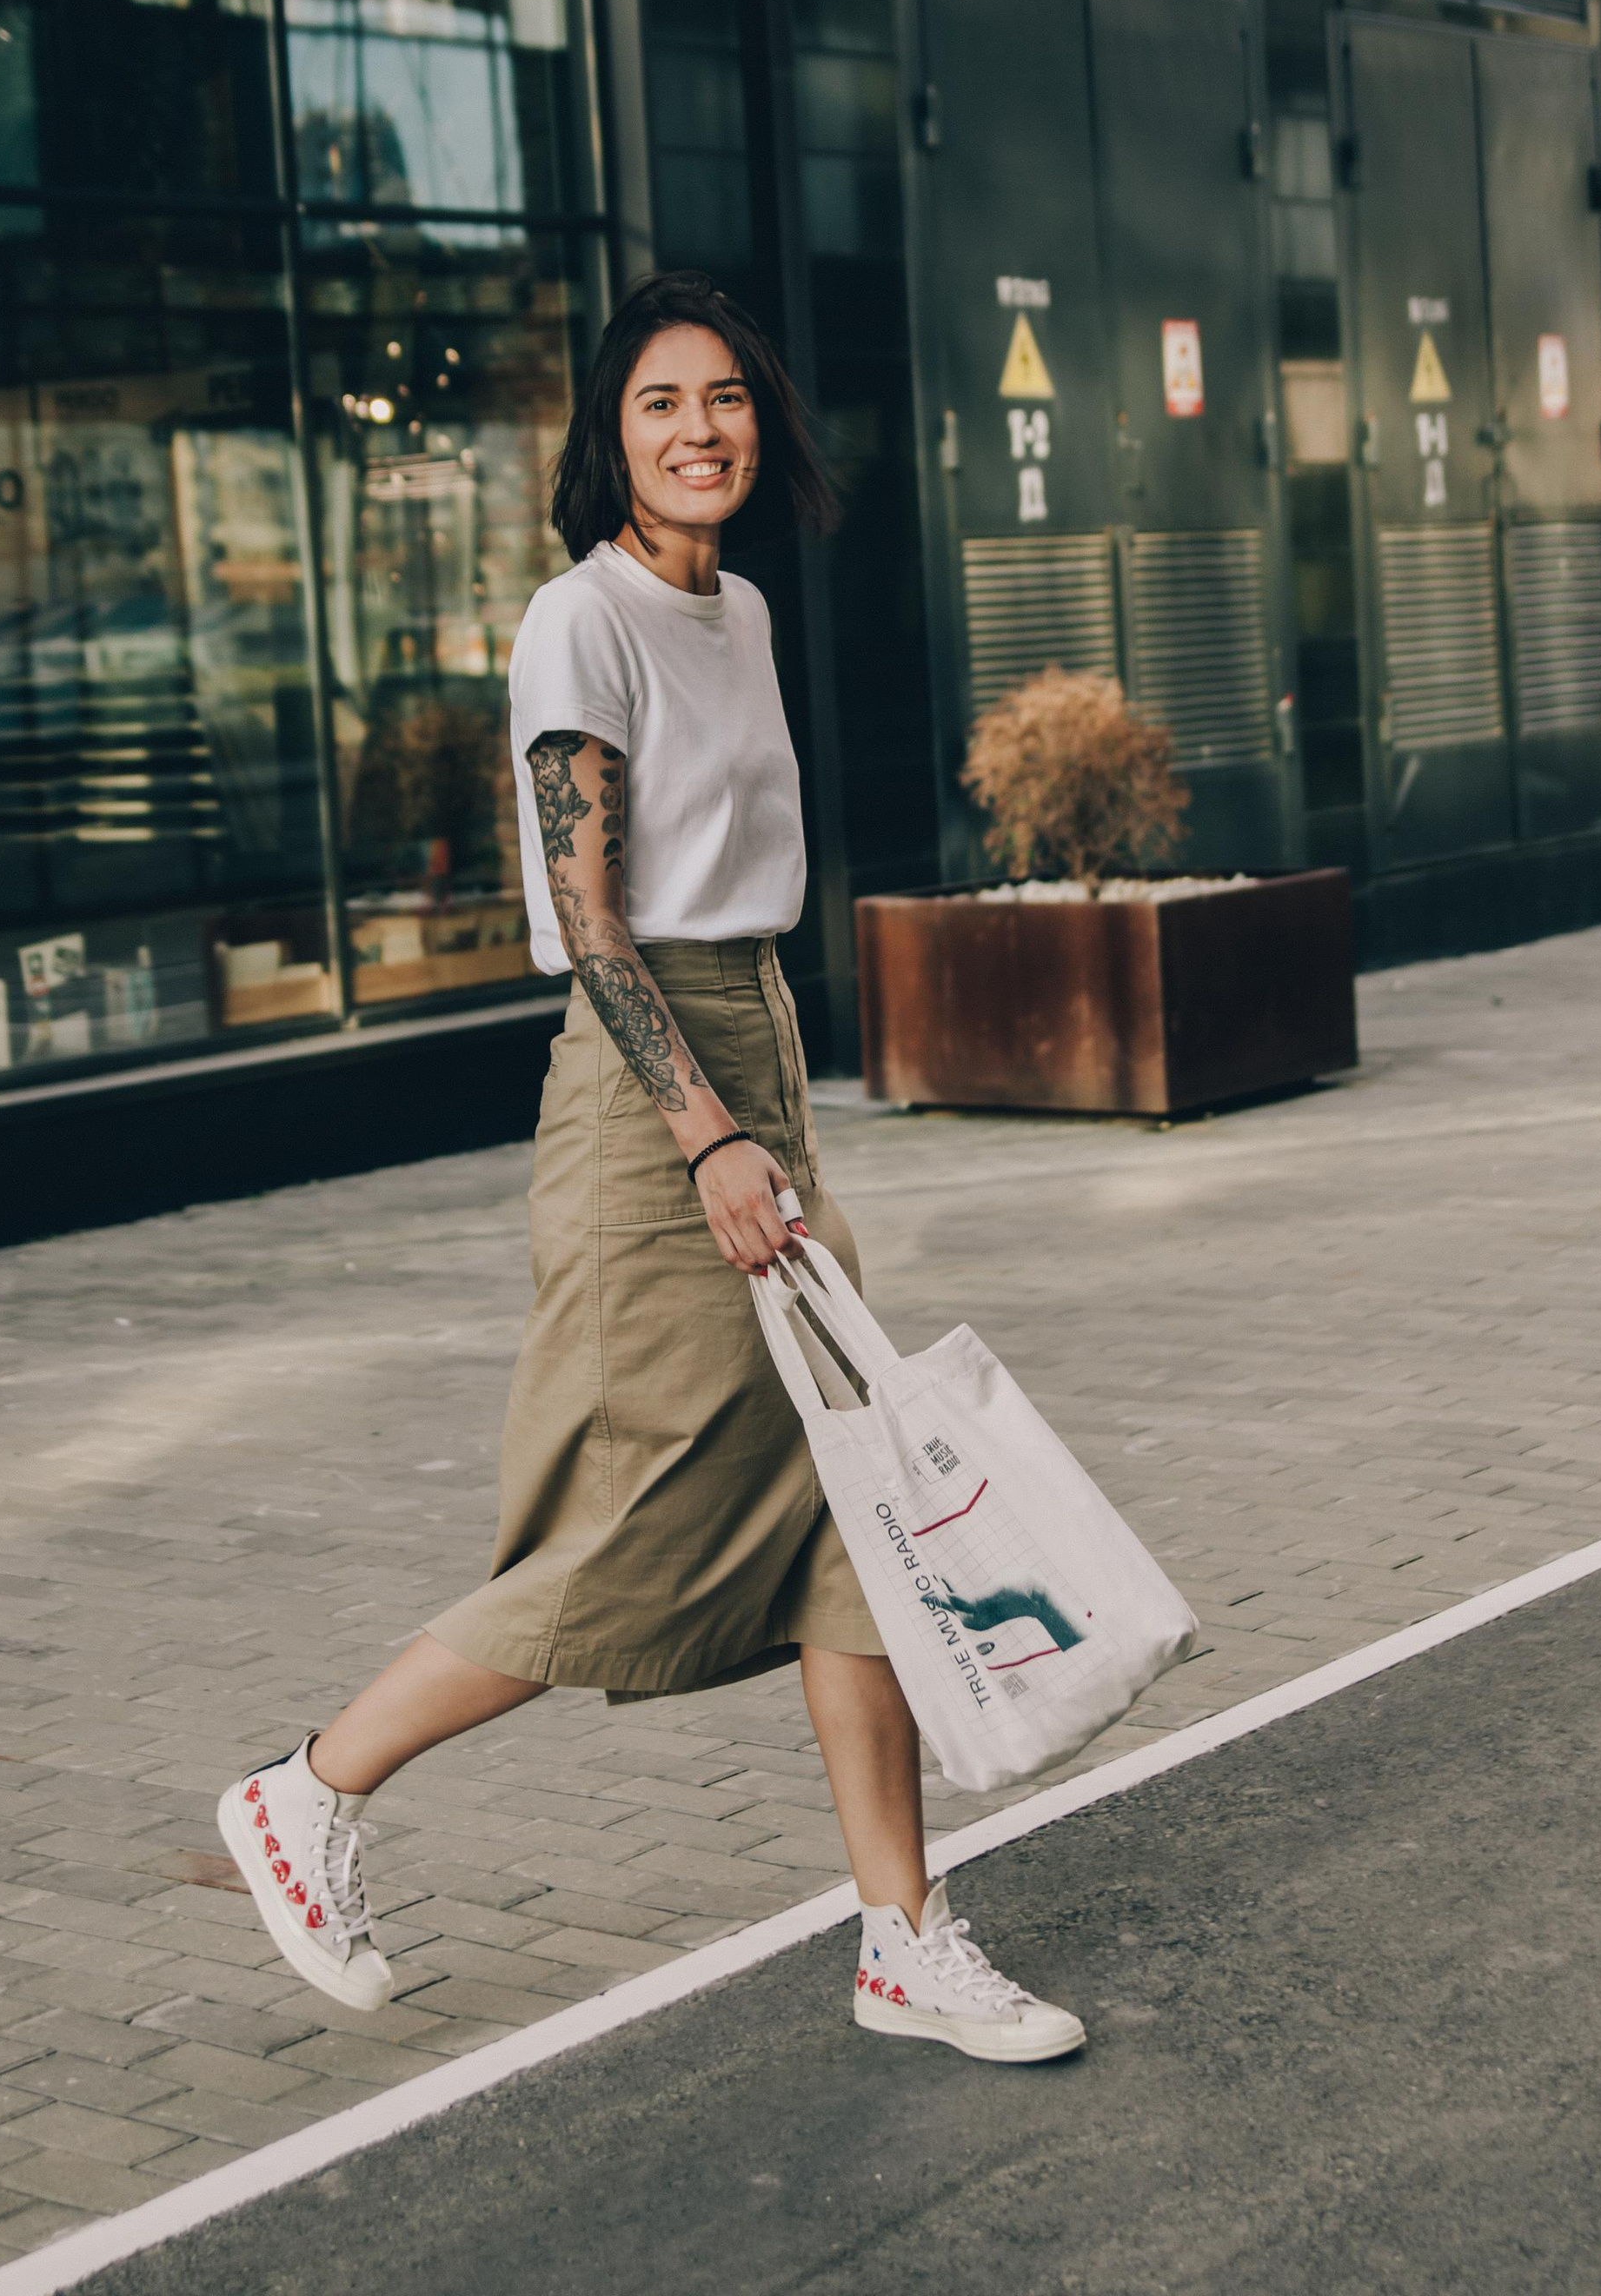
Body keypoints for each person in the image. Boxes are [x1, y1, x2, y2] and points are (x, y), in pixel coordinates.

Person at [221, 272, 1082, 2066]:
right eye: (656, 406)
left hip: (750, 1050)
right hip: (648, 1102)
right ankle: (307, 1789)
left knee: (858, 1513)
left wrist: (756, 1107)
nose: (699, 431)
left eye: (725, 400)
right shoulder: (577, 623)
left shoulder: (738, 608)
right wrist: (704, 1137)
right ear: (605, 438)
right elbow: (587, 917)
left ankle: (901, 1939)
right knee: (626, 1530)